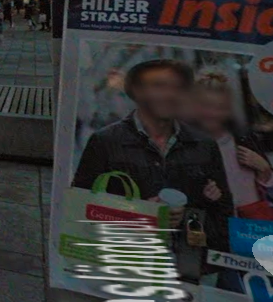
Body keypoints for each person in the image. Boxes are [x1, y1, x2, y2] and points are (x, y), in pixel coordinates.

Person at [72, 59, 233, 252]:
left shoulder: (204, 144)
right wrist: (140, 215)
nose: (169, 95)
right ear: (138, 92)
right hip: (128, 263)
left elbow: (224, 212)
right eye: (158, 86)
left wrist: (190, 217)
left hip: (190, 268)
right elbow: (80, 207)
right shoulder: (105, 141)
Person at [187, 71, 273, 220]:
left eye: (220, 106)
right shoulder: (188, 146)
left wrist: (264, 169)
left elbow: (267, 184)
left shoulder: (242, 138)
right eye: (207, 106)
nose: (214, 113)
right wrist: (206, 197)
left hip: (253, 220)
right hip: (218, 224)